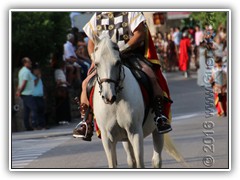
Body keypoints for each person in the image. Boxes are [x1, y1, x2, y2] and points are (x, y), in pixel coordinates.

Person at [73, 12, 173, 141]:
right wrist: (93, 57)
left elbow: (140, 34)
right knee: (86, 83)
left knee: (151, 75)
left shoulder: (131, 12)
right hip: (106, 61)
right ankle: (86, 122)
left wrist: (123, 49)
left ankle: (159, 116)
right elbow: (92, 42)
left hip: (130, 55)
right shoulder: (97, 17)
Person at [16, 57, 38, 131]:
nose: (30, 63)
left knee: (27, 110)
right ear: (25, 63)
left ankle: (27, 126)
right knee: (34, 108)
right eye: (29, 62)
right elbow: (24, 82)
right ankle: (35, 124)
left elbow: (20, 82)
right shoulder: (26, 72)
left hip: (25, 93)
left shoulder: (21, 71)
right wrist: (20, 91)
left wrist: (18, 91)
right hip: (27, 93)